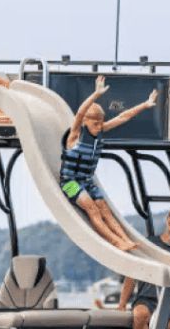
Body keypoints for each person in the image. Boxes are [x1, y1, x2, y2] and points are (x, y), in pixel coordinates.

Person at [60, 75, 157, 251]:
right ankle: (116, 242)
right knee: (92, 208)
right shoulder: (75, 135)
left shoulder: (101, 130)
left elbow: (123, 117)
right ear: (84, 121)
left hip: (88, 182)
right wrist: (96, 94)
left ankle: (124, 239)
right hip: (69, 183)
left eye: (101, 121)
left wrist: (145, 105)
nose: (99, 124)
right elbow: (81, 112)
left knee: (106, 211)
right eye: (94, 121)